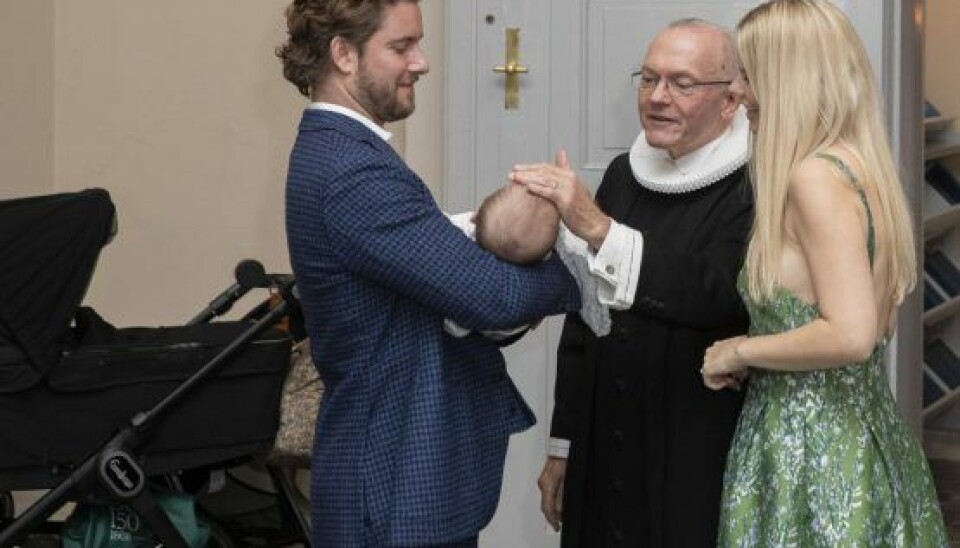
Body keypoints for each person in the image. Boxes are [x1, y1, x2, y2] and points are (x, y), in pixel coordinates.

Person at [277, 0, 581, 546]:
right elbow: (496, 299)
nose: (421, 62)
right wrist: (579, 268)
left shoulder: (346, 155)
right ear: (343, 54)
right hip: (392, 483)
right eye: (401, 46)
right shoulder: (355, 172)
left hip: (391, 474)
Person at [701, 1, 949, 545]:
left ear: (785, 77)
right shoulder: (861, 167)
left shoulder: (813, 179)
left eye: (746, 73)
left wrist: (738, 350)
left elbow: (852, 334)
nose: (736, 92)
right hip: (862, 436)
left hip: (811, 457)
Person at [510, 19, 754, 547]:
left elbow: (718, 292)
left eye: (682, 84)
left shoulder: (752, 185)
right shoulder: (624, 173)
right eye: (648, 79)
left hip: (695, 446)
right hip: (604, 442)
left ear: (730, 101)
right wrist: (563, 446)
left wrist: (597, 227)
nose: (657, 98)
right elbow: (585, 319)